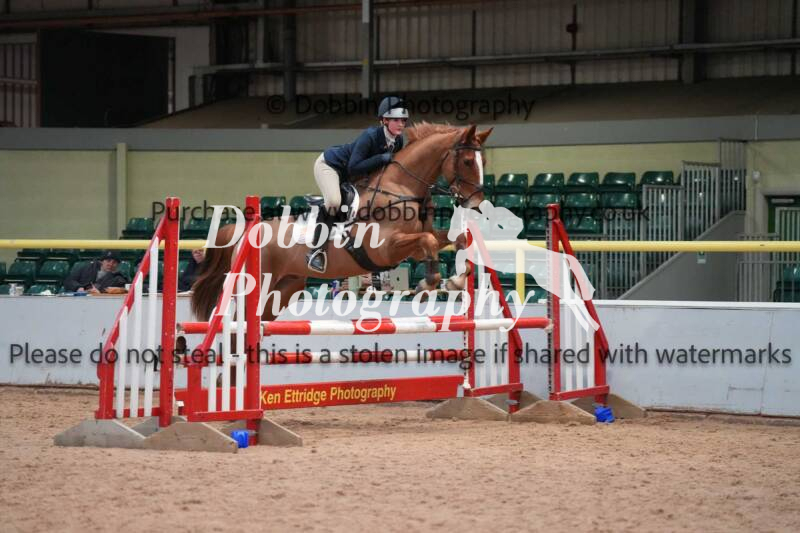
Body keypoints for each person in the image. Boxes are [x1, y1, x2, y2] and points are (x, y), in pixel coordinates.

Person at [306, 96, 409, 273]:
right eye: (396, 120)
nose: (401, 124)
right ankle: (316, 251)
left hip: (354, 175)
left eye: (403, 120)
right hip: (331, 166)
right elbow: (353, 167)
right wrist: (380, 158)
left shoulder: (398, 141)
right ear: (384, 120)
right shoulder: (370, 136)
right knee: (334, 202)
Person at [63, 250, 129, 294]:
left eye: (114, 262)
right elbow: (69, 281)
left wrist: (99, 294)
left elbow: (123, 292)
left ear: (117, 265)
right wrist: (79, 288)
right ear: (102, 261)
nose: (110, 264)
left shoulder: (120, 279)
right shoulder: (87, 268)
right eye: (108, 261)